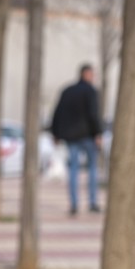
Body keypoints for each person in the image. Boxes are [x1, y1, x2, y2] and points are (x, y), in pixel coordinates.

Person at [50, 63, 104, 216]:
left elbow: (57, 112)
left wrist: (56, 133)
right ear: (86, 74)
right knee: (92, 168)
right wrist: (98, 133)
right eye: (92, 74)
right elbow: (94, 114)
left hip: (71, 137)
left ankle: (74, 204)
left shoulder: (67, 91)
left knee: (73, 169)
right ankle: (92, 202)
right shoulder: (90, 91)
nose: (93, 78)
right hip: (87, 135)